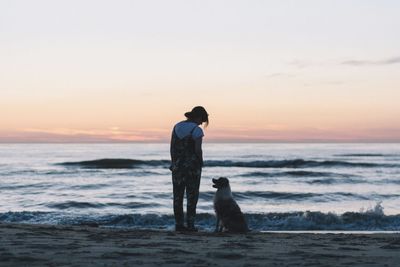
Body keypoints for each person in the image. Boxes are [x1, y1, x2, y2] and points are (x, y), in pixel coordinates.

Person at [170, 106, 209, 232]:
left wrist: (173, 162)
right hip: (192, 168)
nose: (202, 123)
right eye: (202, 120)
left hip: (177, 166)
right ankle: (190, 225)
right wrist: (201, 161)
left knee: (178, 196)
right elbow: (198, 149)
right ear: (198, 117)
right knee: (192, 196)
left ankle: (179, 224)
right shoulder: (196, 130)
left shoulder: (177, 126)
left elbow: (172, 148)